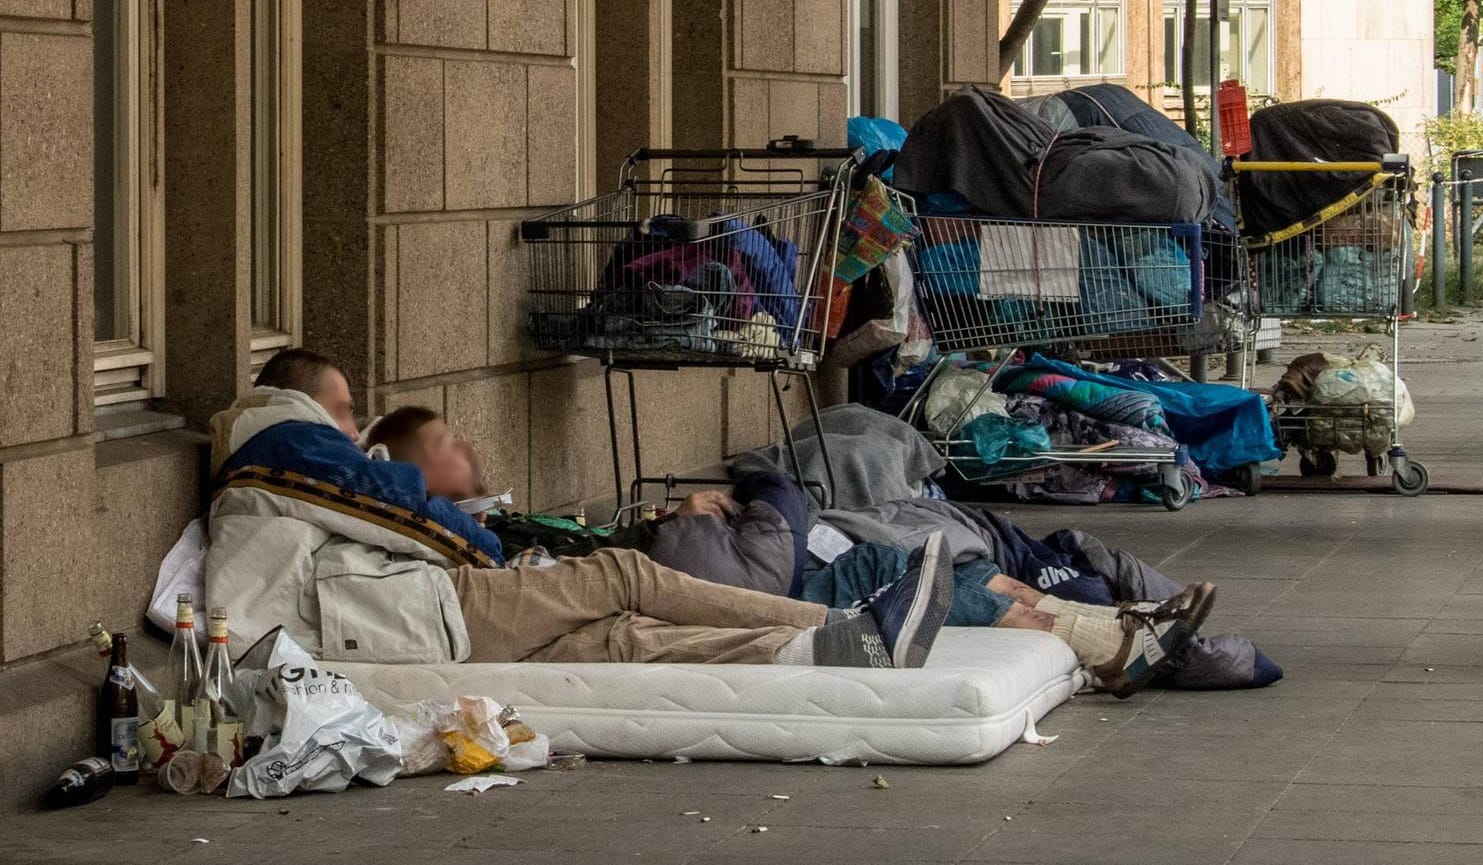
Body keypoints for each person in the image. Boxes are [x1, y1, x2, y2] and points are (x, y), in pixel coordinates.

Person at [366, 401, 1214, 696]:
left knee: (633, 626)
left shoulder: (483, 513)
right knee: (632, 608)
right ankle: (1112, 637)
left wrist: (667, 515)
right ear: (414, 466)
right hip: (644, 583)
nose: (466, 447)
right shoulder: (434, 518)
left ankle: (1116, 637)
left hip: (618, 586)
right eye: (447, 442)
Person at [206, 349, 975, 672]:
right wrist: (495, 558)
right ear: (300, 399)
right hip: (402, 608)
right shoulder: (281, 438)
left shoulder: (276, 461)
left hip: (384, 614)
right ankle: (846, 631)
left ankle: (827, 653)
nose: (353, 426)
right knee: (619, 577)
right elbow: (399, 510)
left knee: (622, 640)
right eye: (343, 410)